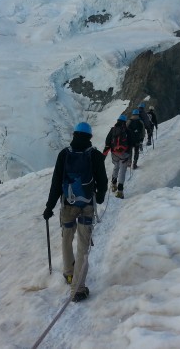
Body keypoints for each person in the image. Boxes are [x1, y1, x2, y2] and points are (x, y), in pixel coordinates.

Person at [43, 122, 108, 302]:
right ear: (89, 137)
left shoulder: (64, 154)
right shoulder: (94, 155)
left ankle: (69, 273)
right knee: (83, 246)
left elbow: (56, 183)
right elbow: (102, 180)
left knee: (66, 237)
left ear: (74, 135)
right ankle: (78, 289)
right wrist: (101, 196)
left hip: (67, 205)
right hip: (86, 205)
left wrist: (49, 207)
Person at [102, 115, 136, 198]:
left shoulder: (113, 130)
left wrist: (105, 154)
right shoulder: (127, 131)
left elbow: (107, 142)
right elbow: (132, 143)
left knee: (116, 167)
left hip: (114, 153)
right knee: (122, 171)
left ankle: (113, 185)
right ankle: (120, 191)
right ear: (125, 121)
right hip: (124, 154)